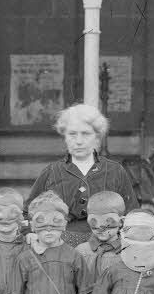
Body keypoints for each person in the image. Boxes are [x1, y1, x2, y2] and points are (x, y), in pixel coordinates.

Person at [29, 103, 138, 247]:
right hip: (62, 247)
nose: (79, 141)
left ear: (97, 137)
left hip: (107, 248)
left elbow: (132, 214)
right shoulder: (51, 172)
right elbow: (28, 211)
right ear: (65, 137)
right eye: (72, 134)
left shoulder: (115, 171)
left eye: (86, 134)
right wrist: (29, 233)